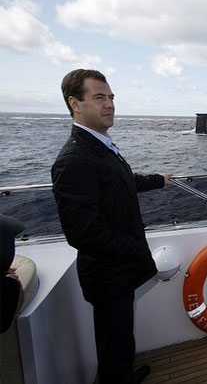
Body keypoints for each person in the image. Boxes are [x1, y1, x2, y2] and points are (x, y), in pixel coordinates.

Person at [51, 69, 171, 383]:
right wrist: (134, 249)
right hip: (108, 273)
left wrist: (157, 180)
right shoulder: (74, 159)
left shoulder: (99, 146)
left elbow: (119, 183)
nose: (110, 104)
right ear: (75, 104)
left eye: (111, 97)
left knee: (119, 341)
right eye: (99, 97)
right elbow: (82, 232)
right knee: (113, 341)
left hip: (118, 270)